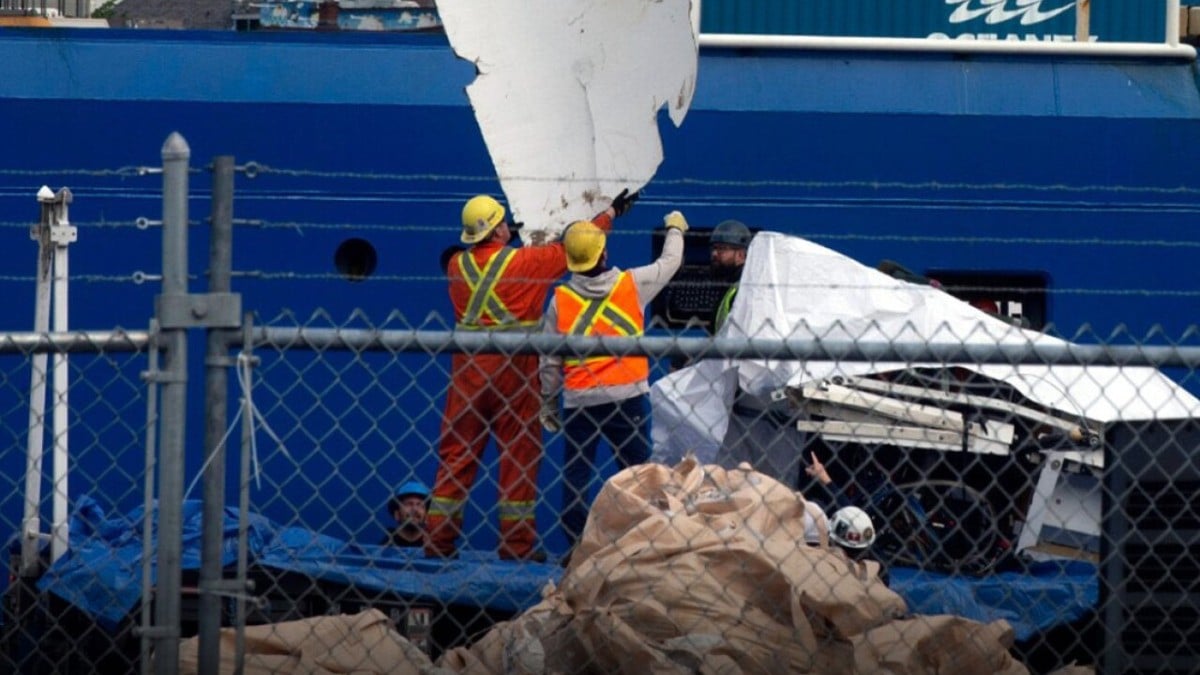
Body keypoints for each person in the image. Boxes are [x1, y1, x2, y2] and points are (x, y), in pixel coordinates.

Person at [426, 189, 639, 561]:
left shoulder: (455, 267)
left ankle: (438, 543)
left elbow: (483, 264)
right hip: (515, 370)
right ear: (496, 231)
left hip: (468, 372)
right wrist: (609, 213)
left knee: (457, 453)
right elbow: (570, 248)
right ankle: (516, 548)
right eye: (502, 223)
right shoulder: (524, 264)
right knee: (518, 456)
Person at [539, 211, 687, 555]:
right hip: (628, 397)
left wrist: (548, 400)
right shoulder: (631, 284)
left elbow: (549, 359)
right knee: (639, 475)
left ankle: (578, 546)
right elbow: (671, 261)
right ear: (603, 253)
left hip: (580, 401)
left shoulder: (560, 301)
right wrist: (675, 227)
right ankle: (649, 541)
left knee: (576, 476)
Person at [707, 219, 752, 332]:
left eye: (722, 249)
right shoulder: (731, 285)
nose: (714, 253)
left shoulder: (744, 289)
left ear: (741, 254)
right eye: (714, 248)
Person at [381, 481, 431, 547]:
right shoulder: (386, 546)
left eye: (420, 505)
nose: (415, 509)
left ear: (426, 516)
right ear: (397, 514)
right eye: (409, 504)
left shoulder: (434, 546)